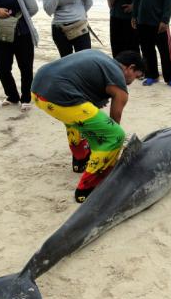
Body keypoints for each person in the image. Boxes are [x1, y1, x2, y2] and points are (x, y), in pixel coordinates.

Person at [31, 49, 146, 203]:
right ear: (130, 68)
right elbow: (114, 120)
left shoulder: (99, 58)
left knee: (78, 118)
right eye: (136, 76)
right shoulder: (117, 77)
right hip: (58, 95)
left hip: (38, 90)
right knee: (115, 135)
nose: (132, 82)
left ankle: (80, 160)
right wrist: (111, 147)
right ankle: (87, 189)